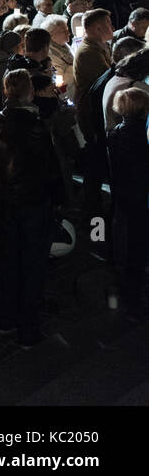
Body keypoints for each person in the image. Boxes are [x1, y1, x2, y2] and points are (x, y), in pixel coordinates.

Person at [0, 69, 63, 346]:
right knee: (32, 264)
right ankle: (28, 329)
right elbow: (48, 167)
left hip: (6, 202)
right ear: (29, 92)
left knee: (9, 261)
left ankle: (5, 319)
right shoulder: (35, 126)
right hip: (32, 201)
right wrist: (58, 199)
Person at [107, 89, 149, 317]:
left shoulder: (115, 134)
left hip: (122, 195)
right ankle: (134, 298)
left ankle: (126, 283)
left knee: (125, 241)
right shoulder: (143, 136)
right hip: (140, 197)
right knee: (137, 247)